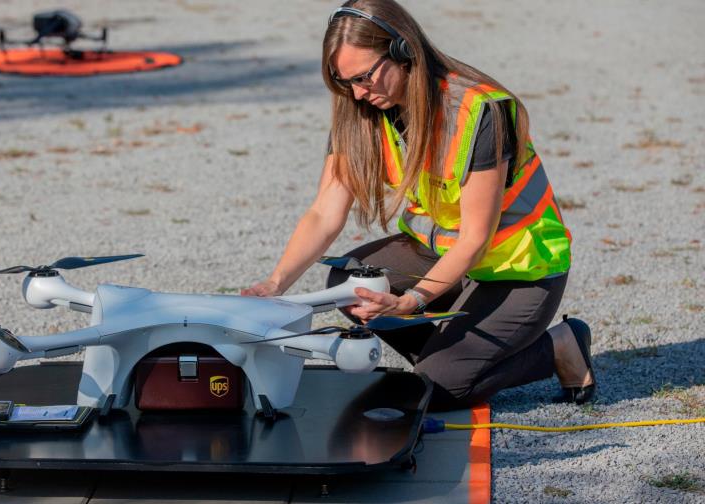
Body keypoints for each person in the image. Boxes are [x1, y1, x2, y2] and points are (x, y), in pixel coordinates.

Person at [242, 0, 595, 411]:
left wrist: (412, 302)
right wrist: (275, 283)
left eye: (364, 78)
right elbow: (325, 211)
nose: (357, 93)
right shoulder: (361, 110)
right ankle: (454, 356)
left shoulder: (479, 112)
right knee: (348, 280)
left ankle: (557, 346)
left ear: (403, 51)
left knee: (436, 389)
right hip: (448, 258)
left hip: (518, 270)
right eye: (344, 83)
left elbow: (475, 239)